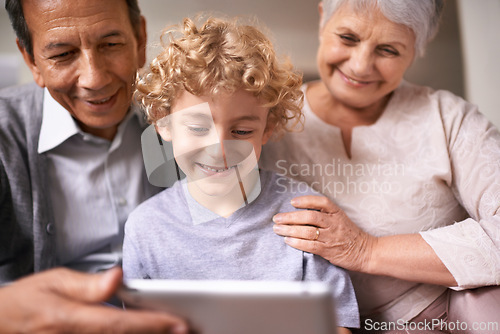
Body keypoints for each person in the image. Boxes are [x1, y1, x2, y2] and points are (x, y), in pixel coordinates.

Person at [260, 0, 500, 332]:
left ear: (418, 48)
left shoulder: (450, 120)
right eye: (347, 38)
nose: (360, 66)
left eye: (387, 50)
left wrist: (367, 251)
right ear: (321, 20)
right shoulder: (262, 121)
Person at [122, 16, 360, 332]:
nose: (220, 149)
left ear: (268, 129)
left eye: (242, 130)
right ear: (164, 124)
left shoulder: (303, 214)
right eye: (197, 127)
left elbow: (340, 325)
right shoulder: (146, 228)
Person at [0, 0, 187, 332]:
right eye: (62, 54)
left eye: (111, 44)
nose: (95, 78)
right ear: (31, 60)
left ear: (140, 39)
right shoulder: (4, 138)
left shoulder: (187, 118)